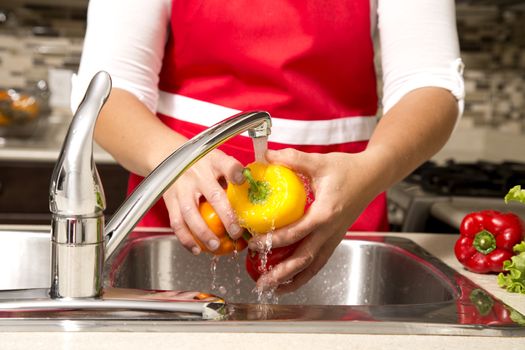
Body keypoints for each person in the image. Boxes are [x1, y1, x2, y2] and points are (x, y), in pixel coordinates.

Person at [72, 0, 464, 294]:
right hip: (179, 224)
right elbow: (105, 89)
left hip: (338, 215)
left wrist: (369, 171)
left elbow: (429, 86)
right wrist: (173, 162)